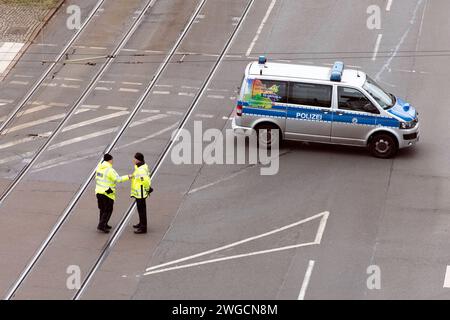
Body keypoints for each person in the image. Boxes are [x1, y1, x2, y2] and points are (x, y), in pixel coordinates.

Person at [95, 154, 130, 233]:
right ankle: (101, 225)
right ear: (110, 160)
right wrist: (128, 176)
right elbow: (118, 179)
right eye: (112, 160)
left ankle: (104, 223)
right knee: (108, 210)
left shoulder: (99, 168)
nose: (112, 161)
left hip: (99, 192)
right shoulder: (110, 170)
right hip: (107, 193)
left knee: (102, 209)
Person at [130, 152, 152, 234]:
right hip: (139, 192)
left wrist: (147, 189)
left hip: (141, 193)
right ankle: (141, 223)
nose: (133, 160)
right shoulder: (139, 167)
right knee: (140, 209)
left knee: (142, 210)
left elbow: (145, 181)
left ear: (138, 160)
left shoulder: (141, 170)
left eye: (135, 158)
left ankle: (143, 228)